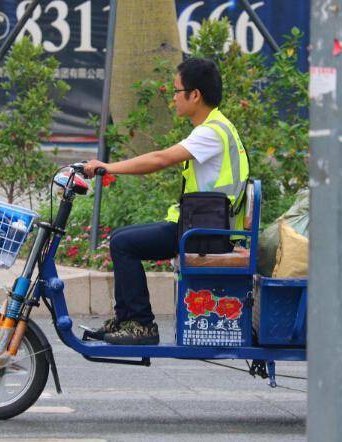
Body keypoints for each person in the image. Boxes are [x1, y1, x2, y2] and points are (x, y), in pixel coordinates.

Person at [84, 57, 249, 345]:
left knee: (124, 244)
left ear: (194, 95)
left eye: (176, 91)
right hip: (205, 226)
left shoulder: (211, 133)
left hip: (205, 234)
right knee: (121, 237)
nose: (172, 98)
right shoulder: (217, 127)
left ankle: (142, 325)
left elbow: (160, 159)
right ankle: (125, 319)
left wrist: (108, 167)